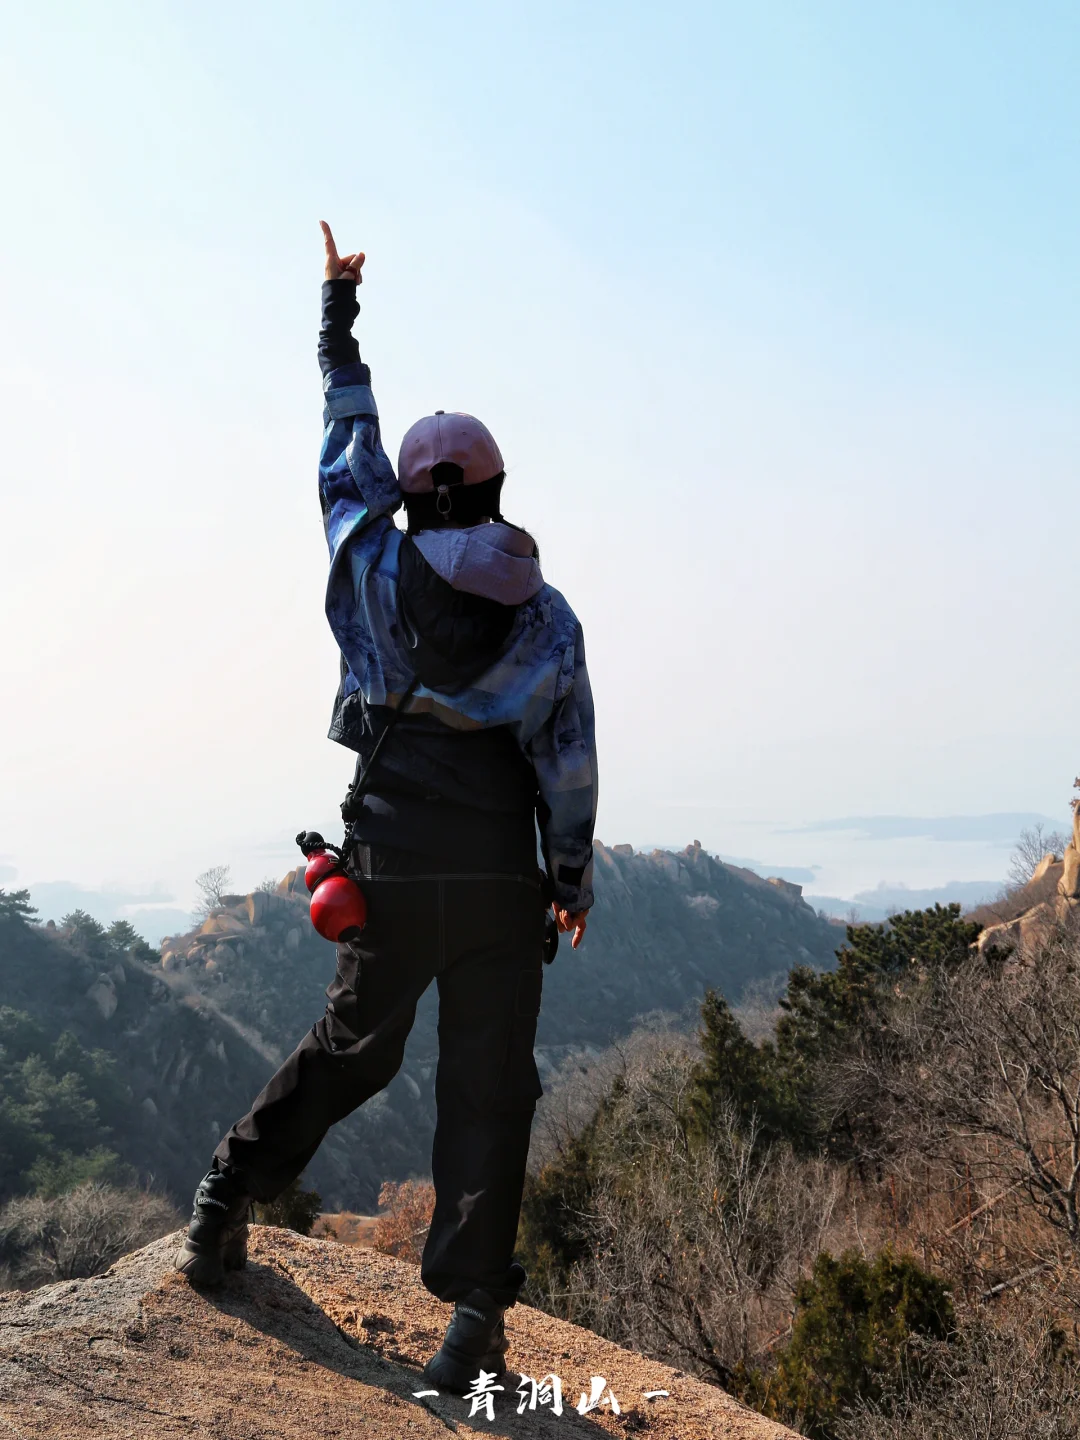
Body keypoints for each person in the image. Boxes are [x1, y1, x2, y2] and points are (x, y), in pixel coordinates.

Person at [174, 223, 598, 1394]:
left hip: (395, 863)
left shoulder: (369, 562)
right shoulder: (547, 616)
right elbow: (568, 764)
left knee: (355, 1046)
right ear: (502, 490)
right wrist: (569, 880)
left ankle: (223, 1199)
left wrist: (338, 320)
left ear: (413, 499)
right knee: (489, 1089)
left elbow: (345, 447)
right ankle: (473, 1319)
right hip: (502, 887)